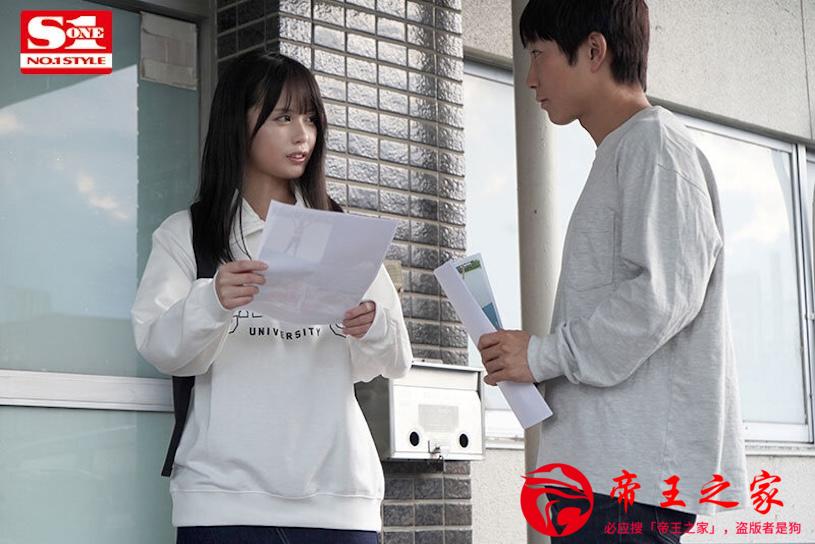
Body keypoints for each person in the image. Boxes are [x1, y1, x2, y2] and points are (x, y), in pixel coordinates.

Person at [477, 1, 748, 542]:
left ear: (594, 50)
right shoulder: (628, 150)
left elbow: (660, 299)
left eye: (539, 55)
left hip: (628, 485)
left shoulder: (655, 145)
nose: (530, 79)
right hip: (606, 478)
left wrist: (542, 355)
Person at [131, 50, 413, 544]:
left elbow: (395, 361)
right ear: (237, 124)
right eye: (283, 118)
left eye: (310, 118)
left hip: (338, 498)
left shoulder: (341, 232)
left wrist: (372, 326)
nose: (303, 134)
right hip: (220, 499)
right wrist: (212, 300)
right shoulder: (188, 234)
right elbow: (161, 347)